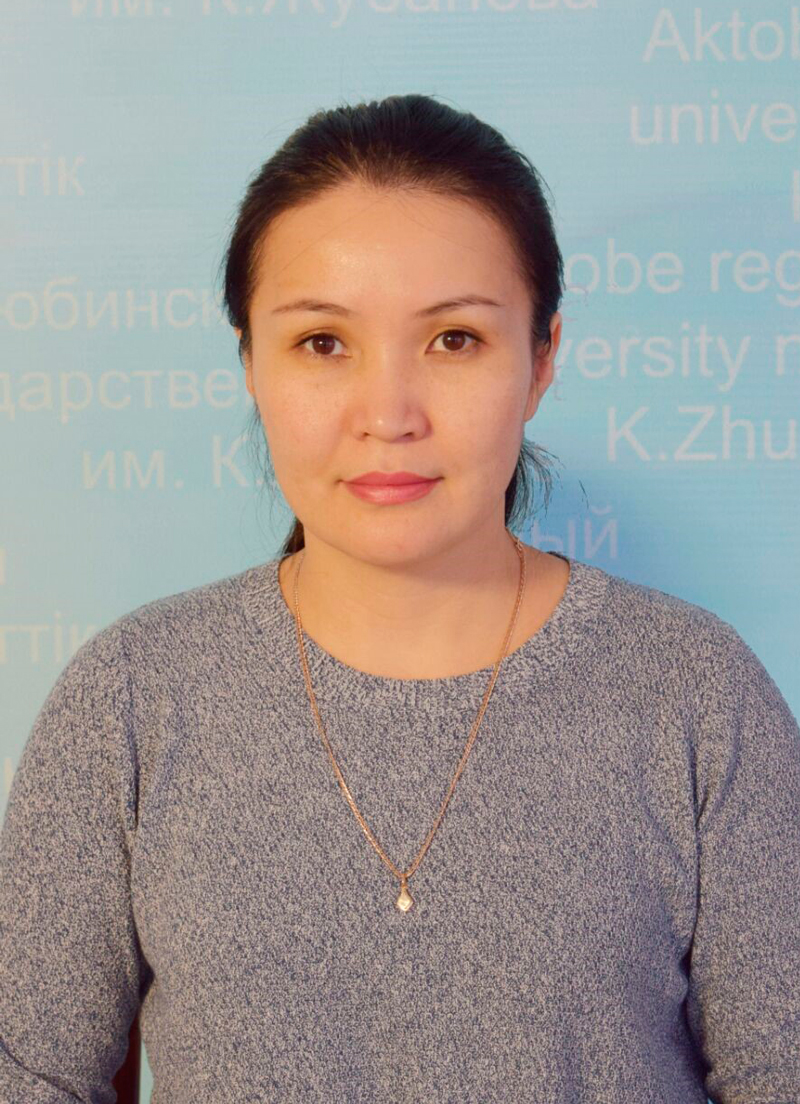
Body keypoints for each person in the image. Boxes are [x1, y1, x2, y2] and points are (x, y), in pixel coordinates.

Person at [0, 93, 798, 1103]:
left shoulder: (694, 691)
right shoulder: (131, 697)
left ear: (541, 359)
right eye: (322, 343)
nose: (387, 415)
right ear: (249, 362)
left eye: (454, 340)